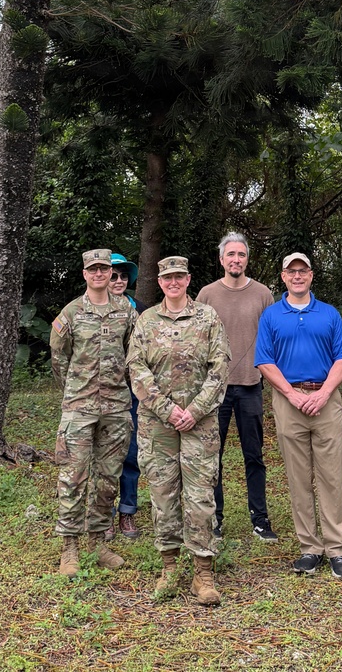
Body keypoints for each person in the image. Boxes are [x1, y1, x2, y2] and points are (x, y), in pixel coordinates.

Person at [127, 256, 230, 605]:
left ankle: (202, 572)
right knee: (163, 493)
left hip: (200, 424)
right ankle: (169, 566)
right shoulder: (146, 321)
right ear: (160, 282)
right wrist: (169, 410)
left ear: (188, 280)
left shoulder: (207, 317)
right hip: (159, 425)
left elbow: (220, 367)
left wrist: (195, 410)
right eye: (167, 277)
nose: (173, 282)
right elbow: (136, 369)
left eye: (179, 277)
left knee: (200, 495)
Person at [254, 253, 342, 579]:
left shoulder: (329, 314)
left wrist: (324, 393)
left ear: (311, 275)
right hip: (288, 400)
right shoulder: (271, 316)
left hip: (326, 399)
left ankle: (337, 549)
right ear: (283, 277)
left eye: (303, 271)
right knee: (299, 479)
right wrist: (293, 395)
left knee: (332, 477)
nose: (297, 276)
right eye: (291, 271)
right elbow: (265, 362)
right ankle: (310, 547)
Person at [50, 249, 136, 577]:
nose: (100, 274)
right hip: (79, 408)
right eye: (94, 269)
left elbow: (135, 355)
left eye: (105, 270)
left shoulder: (126, 312)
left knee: (108, 480)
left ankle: (98, 542)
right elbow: (59, 358)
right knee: (73, 477)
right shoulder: (71, 313)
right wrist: (75, 391)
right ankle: (69, 546)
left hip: (116, 407)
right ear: (84, 274)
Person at [196, 233, 276, 541]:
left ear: (247, 259)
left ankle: (260, 518)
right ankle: (214, 517)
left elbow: (272, 338)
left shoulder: (262, 294)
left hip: (250, 386)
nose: (236, 259)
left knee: (253, 455)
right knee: (212, 455)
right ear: (221, 259)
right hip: (214, 391)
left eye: (241, 254)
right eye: (231, 254)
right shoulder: (206, 295)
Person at [102, 253, 147, 540]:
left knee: (131, 454)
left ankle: (127, 512)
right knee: (103, 455)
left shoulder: (142, 311)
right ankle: (103, 514)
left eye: (123, 276)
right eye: (113, 274)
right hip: (102, 394)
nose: (119, 281)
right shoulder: (89, 310)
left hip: (132, 394)